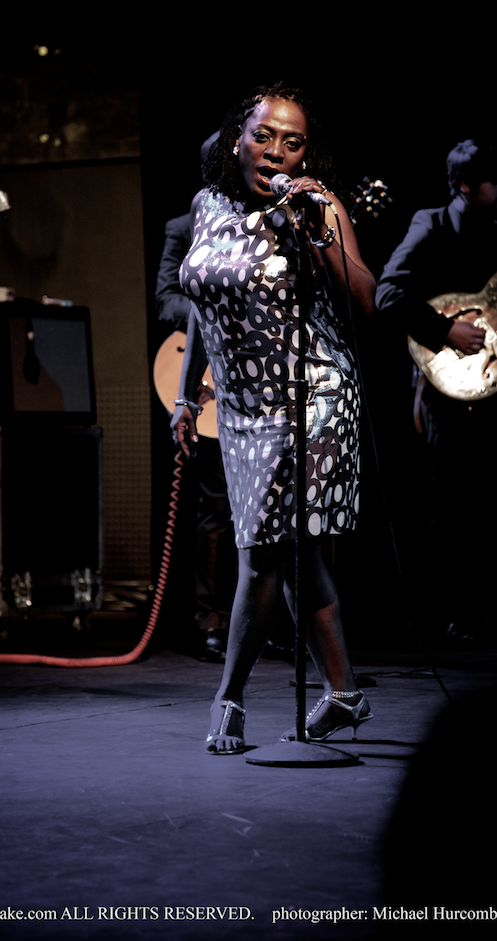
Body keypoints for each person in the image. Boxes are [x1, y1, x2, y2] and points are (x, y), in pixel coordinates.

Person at [170, 83, 377, 753]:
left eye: (292, 142)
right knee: (296, 554)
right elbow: (202, 304)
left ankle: (228, 699)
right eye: (263, 135)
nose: (275, 150)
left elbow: (365, 298)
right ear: (237, 139)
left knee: (263, 550)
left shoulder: (316, 206)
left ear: (303, 154)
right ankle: (343, 693)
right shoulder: (205, 206)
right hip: (239, 409)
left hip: (308, 395)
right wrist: (187, 394)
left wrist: (318, 232)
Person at [375, 140, 497, 641]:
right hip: (444, 386)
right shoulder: (431, 225)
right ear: (466, 186)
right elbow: (387, 292)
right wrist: (445, 329)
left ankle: (488, 609)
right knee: (447, 500)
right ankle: (442, 613)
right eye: (494, 180)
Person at [155, 134, 237, 662]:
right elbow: (165, 298)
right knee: (216, 505)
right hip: (206, 372)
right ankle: (210, 619)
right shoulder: (182, 227)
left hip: (254, 376)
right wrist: (210, 309)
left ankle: (274, 619)